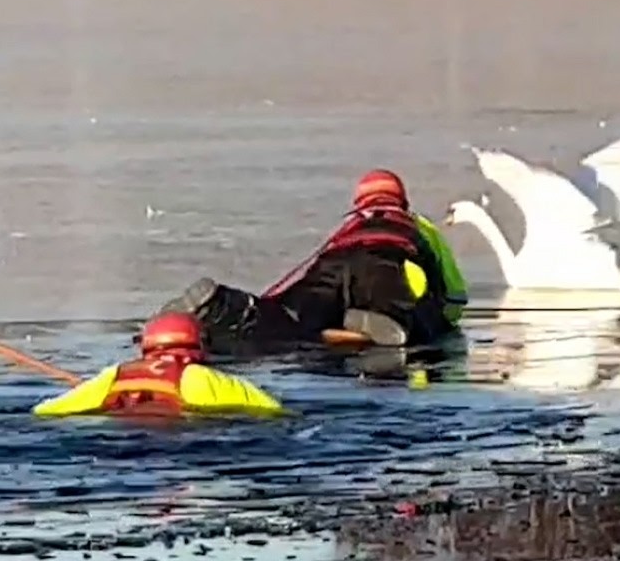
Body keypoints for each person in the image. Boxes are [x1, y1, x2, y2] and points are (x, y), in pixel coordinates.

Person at [159, 169, 468, 353]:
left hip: (333, 263)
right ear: (402, 200)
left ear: (359, 202)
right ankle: (375, 319)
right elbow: (455, 297)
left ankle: (225, 305)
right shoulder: (419, 226)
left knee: (289, 317)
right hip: (386, 265)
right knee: (409, 322)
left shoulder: (350, 226)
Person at [31, 311, 286, 418]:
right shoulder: (205, 379)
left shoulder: (114, 377)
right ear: (198, 344)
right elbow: (277, 414)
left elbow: (44, 413)